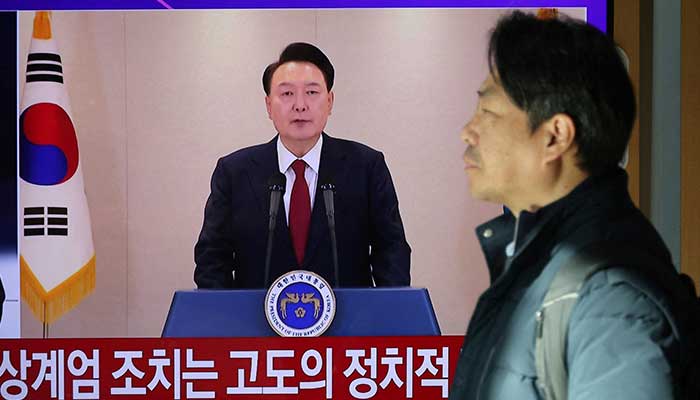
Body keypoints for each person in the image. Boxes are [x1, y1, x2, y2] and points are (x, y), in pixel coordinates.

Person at [450, 11, 686, 400]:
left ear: (555, 136)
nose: (467, 131)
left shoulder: (609, 298)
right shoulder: (540, 262)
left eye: (488, 112)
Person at [194, 42, 411, 289]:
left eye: (311, 92)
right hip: (255, 324)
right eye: (287, 94)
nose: (300, 105)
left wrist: (387, 318)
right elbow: (212, 259)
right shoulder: (233, 172)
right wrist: (227, 321)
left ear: (329, 102)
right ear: (268, 106)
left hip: (351, 324)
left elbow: (391, 252)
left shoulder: (366, 167)